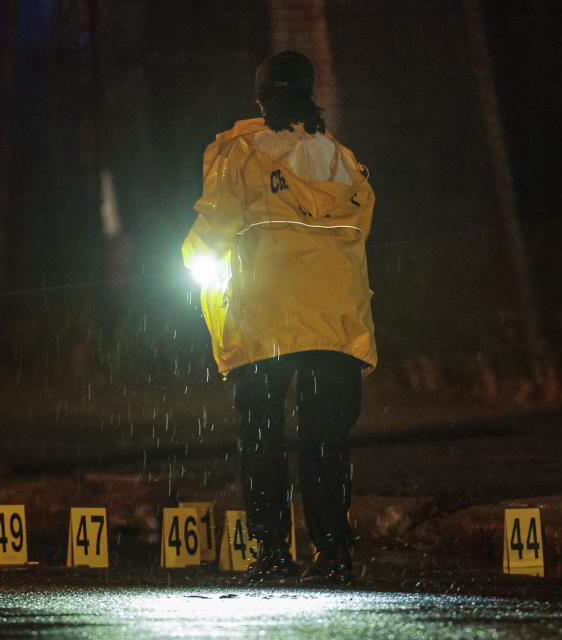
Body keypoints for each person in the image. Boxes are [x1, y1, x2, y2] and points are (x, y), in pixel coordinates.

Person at [182, 51, 376, 585]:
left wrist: (188, 260)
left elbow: (214, 225)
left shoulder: (240, 152)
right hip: (336, 317)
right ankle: (334, 556)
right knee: (325, 441)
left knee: (263, 436)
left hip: (267, 316)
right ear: (310, 94)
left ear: (261, 97)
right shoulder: (341, 158)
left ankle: (271, 555)